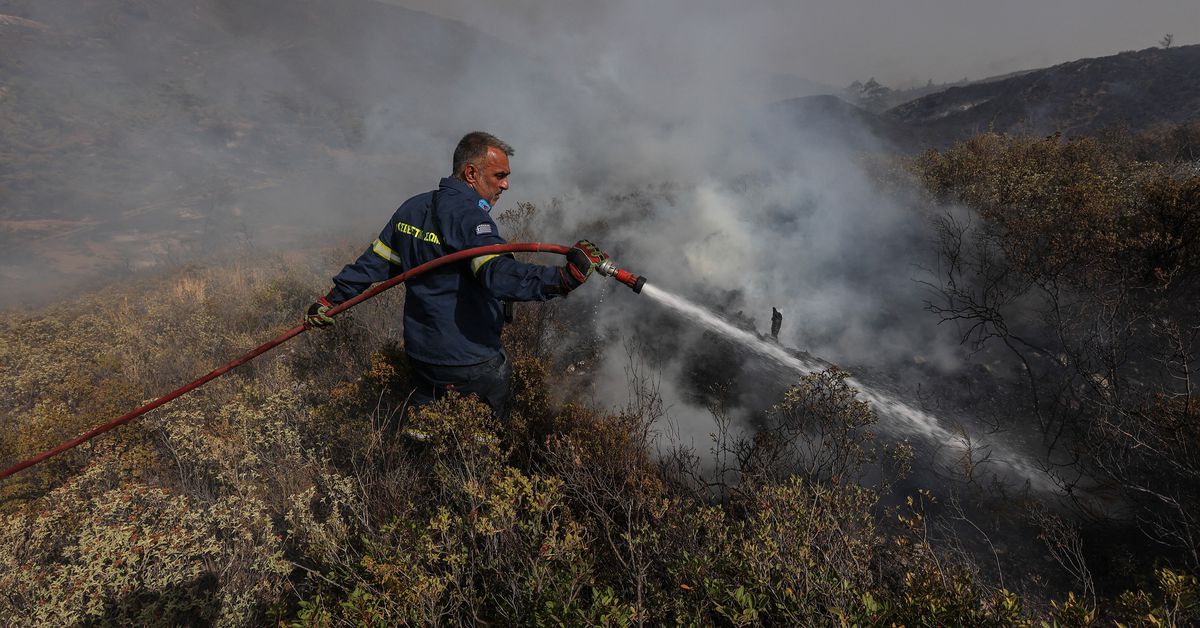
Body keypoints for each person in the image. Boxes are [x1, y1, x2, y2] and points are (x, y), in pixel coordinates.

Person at [304, 131, 608, 422]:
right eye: (499, 176)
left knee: (429, 440)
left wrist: (330, 301)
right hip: (471, 361)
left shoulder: (413, 209)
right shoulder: (472, 220)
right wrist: (565, 278)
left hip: (423, 359)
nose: (506, 186)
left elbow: (373, 264)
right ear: (471, 173)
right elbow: (499, 276)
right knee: (484, 448)